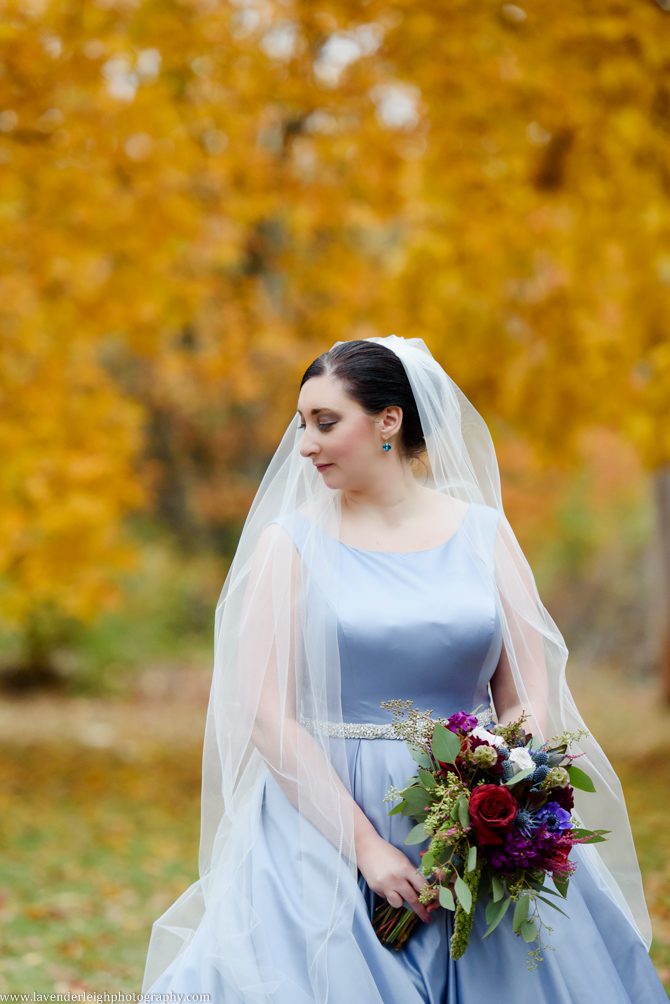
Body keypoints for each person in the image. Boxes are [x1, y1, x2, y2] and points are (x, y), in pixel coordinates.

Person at [140, 335, 667, 1002]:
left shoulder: (485, 534)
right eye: (302, 424)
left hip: (475, 811)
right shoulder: (290, 544)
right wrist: (364, 848)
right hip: (325, 817)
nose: (304, 445)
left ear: (389, 420)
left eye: (325, 422)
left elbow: (527, 695)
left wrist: (500, 787)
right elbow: (266, 714)